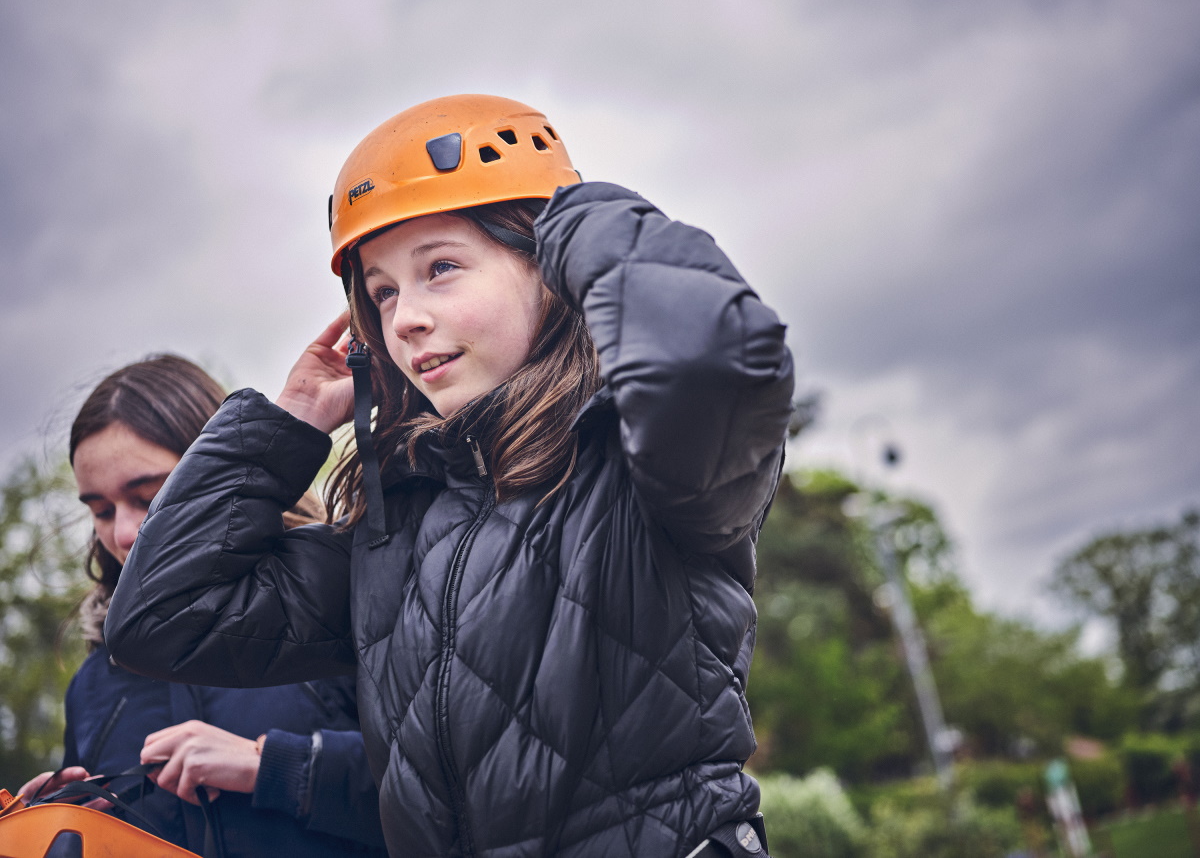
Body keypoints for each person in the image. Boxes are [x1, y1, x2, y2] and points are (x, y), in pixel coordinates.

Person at [106, 95, 795, 857]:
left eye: (441, 268)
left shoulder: (647, 463)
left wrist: (569, 216)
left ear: (548, 266)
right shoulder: (392, 530)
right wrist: (290, 419)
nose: (403, 320)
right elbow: (160, 618)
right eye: (382, 293)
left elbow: (712, 350)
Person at [19, 355, 387, 857]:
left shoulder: (347, 604)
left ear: (219, 480)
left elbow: (464, 790)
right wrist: (60, 822)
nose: (123, 534)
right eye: (100, 511)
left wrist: (273, 766)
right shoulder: (92, 684)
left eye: (149, 497)